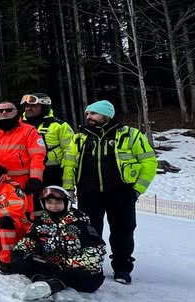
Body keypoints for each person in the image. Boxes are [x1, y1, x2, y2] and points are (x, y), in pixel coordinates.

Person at [62, 99, 157, 284]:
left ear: (106, 115)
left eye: (93, 114)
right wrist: (68, 188)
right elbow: (69, 163)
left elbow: (149, 162)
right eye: (88, 113)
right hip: (88, 193)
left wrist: (137, 189)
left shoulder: (131, 135)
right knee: (89, 232)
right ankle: (91, 266)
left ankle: (122, 268)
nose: (89, 117)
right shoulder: (80, 137)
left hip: (121, 193)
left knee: (123, 231)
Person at [8, 186, 106, 301]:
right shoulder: (41, 222)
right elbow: (29, 240)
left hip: (80, 273)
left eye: (58, 202)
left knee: (67, 274)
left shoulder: (80, 222)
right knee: (25, 264)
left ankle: (51, 287)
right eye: (49, 202)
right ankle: (43, 285)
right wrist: (18, 253)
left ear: (67, 203)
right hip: (52, 267)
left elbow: (96, 251)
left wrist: (66, 264)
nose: (53, 206)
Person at [20, 93, 73, 188]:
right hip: (25, 174)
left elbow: (70, 155)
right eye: (27, 106)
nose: (28, 109)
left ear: (44, 107)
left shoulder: (60, 126)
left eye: (34, 106)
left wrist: (68, 182)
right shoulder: (18, 126)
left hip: (53, 174)